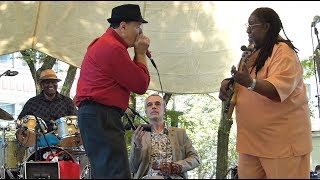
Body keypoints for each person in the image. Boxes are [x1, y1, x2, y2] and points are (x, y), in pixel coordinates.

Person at [218, 7, 312, 178]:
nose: (248, 30)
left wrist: (249, 83)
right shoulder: (253, 52)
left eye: (252, 25)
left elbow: (276, 90)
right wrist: (229, 83)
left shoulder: (283, 52)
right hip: (251, 143)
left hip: (281, 144)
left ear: (267, 27)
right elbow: (245, 82)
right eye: (247, 25)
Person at [75, 4, 150, 179]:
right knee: (116, 173)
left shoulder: (103, 44)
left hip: (95, 115)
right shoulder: (113, 47)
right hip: (102, 115)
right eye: (137, 26)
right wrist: (141, 53)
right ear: (123, 26)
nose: (140, 32)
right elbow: (140, 84)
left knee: (105, 172)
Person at [129, 94, 200, 179]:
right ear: (146, 111)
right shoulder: (139, 135)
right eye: (149, 105)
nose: (154, 107)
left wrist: (179, 165)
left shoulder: (180, 133)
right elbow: (133, 168)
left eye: (157, 104)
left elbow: (195, 158)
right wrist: (138, 145)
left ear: (164, 109)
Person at [17, 69, 77, 148]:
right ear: (41, 85)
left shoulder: (67, 102)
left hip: (64, 145)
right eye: (47, 82)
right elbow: (21, 122)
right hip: (39, 146)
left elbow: (76, 121)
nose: (51, 85)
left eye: (53, 82)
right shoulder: (32, 103)